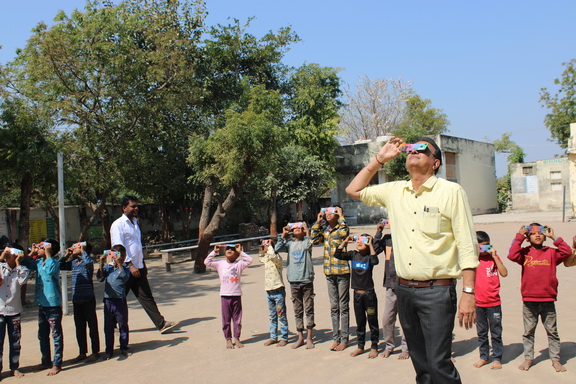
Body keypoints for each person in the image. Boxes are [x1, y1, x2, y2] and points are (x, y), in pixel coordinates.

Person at [345, 136, 479, 384]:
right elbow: (353, 190)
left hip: (437, 291)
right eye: (409, 149)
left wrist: (469, 293)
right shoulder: (395, 190)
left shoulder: (451, 192)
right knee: (420, 363)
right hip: (403, 288)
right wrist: (379, 160)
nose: (413, 151)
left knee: (439, 363)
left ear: (435, 162)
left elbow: (467, 246)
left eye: (421, 149)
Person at [508, 224, 571, 372]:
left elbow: (567, 252)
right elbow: (511, 255)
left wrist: (554, 237)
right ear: (528, 238)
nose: (537, 235)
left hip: (548, 299)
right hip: (529, 300)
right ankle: (529, 358)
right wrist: (519, 237)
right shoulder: (524, 253)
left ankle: (555, 359)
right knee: (528, 331)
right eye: (533, 233)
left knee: (552, 331)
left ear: (545, 236)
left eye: (540, 233)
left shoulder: (551, 253)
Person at [110, 195, 177, 334]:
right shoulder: (118, 225)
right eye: (133, 206)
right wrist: (130, 265)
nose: (136, 208)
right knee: (118, 298)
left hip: (138, 267)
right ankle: (111, 325)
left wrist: (141, 264)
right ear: (124, 208)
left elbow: (137, 245)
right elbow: (117, 248)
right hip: (125, 269)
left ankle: (161, 324)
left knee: (146, 296)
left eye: (137, 206)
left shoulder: (135, 222)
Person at [310, 206, 350, 351]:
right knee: (334, 307)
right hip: (329, 272)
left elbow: (345, 233)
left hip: (342, 271)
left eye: (331, 212)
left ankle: (344, 339)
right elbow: (313, 240)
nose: (327, 214)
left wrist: (341, 215)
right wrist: (317, 221)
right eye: (326, 212)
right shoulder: (326, 231)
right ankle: (336, 338)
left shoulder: (341, 228)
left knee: (343, 306)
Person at [334, 234, 380, 358]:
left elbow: (375, 261)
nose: (359, 242)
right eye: (358, 240)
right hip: (357, 296)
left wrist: (370, 245)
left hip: (369, 295)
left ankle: (374, 347)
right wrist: (345, 241)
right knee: (360, 322)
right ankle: (360, 346)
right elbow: (337, 254)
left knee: (372, 320)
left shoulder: (370, 257)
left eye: (364, 241)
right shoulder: (354, 254)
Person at [275, 221, 315, 349]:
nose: (297, 229)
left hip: (306, 280)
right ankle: (300, 337)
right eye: (295, 228)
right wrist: (284, 235)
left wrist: (307, 231)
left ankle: (309, 337)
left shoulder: (306, 242)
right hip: (294, 280)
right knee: (297, 310)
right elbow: (277, 249)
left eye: (300, 228)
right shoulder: (290, 244)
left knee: (308, 308)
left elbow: (309, 244)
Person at [204, 244, 253, 349]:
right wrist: (215, 252)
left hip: (236, 295)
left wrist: (240, 252)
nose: (230, 250)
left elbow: (249, 260)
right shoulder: (220, 264)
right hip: (225, 296)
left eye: (233, 249)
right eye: (228, 249)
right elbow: (206, 262)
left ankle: (237, 338)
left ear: (236, 254)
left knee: (237, 319)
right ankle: (228, 339)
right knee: (226, 320)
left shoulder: (239, 264)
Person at [28, 238, 64, 376]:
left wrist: (48, 254)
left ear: (50, 249)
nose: (39, 248)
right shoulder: (38, 262)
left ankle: (57, 363)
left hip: (53, 305)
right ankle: (46, 361)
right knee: (42, 334)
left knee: (55, 334)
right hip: (42, 304)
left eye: (42, 246)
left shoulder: (53, 262)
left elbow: (49, 271)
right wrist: (32, 252)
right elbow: (25, 264)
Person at [374, 220, 409, 360]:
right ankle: (390, 346)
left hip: (407, 283)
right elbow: (375, 250)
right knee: (387, 319)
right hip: (391, 283)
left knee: (406, 319)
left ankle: (406, 348)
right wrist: (379, 232)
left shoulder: (408, 237)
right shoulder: (387, 239)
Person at [59, 241, 100, 363]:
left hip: (88, 298)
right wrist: (66, 255)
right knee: (79, 327)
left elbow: (88, 263)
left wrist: (82, 251)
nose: (73, 248)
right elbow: (59, 266)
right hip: (77, 299)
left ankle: (95, 352)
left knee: (92, 326)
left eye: (76, 246)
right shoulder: (73, 263)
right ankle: (82, 352)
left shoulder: (88, 262)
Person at [473, 231, 507, 370]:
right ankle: (484, 357)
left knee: (496, 331)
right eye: (481, 247)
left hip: (493, 303)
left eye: (487, 246)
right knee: (481, 332)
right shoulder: (473, 260)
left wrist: (494, 256)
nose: (484, 250)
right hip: (478, 303)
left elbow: (504, 273)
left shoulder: (494, 258)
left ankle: (497, 358)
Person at [0, 245, 30, 378]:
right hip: (0, 310)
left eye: (10, 253)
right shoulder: (1, 267)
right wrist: (1, 259)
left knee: (15, 342)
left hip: (14, 311)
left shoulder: (22, 269)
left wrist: (18, 263)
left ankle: (14, 367)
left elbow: (22, 281)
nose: (7, 255)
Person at [97, 245, 131, 360]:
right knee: (108, 326)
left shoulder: (126, 268)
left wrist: (120, 264)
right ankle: (109, 350)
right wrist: (101, 264)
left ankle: (124, 347)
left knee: (123, 324)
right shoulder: (108, 267)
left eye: (121, 255)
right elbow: (100, 278)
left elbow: (124, 277)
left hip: (120, 300)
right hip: (108, 300)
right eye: (116, 255)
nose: (119, 258)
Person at [258, 239, 289, 347]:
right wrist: (262, 249)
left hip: (278, 290)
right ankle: (273, 337)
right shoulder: (267, 258)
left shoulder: (277, 258)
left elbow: (273, 255)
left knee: (281, 315)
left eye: (267, 246)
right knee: (272, 316)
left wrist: (270, 246)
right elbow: (261, 258)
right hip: (269, 290)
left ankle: (284, 337)